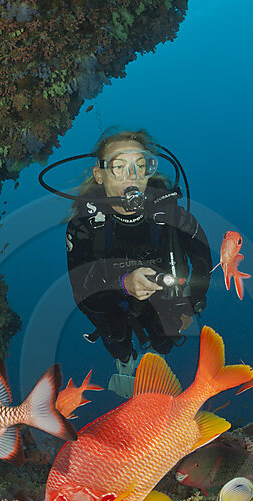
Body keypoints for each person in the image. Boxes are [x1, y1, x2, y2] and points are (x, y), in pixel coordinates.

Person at [64, 130, 211, 397]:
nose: (131, 175)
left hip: (162, 300)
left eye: (141, 166)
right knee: (116, 335)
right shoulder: (84, 227)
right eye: (118, 167)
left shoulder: (173, 216)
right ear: (100, 175)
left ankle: (155, 359)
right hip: (109, 303)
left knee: (164, 340)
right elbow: (83, 294)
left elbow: (203, 258)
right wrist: (124, 285)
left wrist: (194, 302)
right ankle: (124, 359)